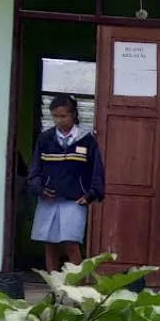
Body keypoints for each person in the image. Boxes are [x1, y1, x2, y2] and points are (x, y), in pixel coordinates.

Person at [27, 94, 105, 272]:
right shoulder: (45, 139)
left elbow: (97, 170)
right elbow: (35, 168)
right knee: (50, 244)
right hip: (48, 198)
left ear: (73, 115)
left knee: (71, 243)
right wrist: (38, 188)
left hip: (74, 199)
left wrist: (91, 193)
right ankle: (55, 289)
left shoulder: (87, 140)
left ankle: (78, 291)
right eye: (55, 116)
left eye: (63, 116)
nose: (59, 120)